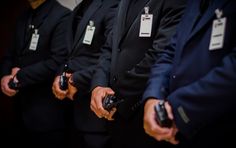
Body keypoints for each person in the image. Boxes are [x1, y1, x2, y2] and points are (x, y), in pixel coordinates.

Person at [89, 0, 186, 147]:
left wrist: (115, 94)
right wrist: (98, 85)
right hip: (115, 116)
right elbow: (110, 48)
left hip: (148, 112)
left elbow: (161, 55)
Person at [142, 0, 236, 147]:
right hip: (172, 126)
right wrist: (153, 98)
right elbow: (170, 52)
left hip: (216, 126)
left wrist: (179, 108)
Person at [0, 0, 71, 147]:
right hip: (20, 112)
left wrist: (20, 76)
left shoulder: (62, 16)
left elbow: (58, 61)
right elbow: (9, 55)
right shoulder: (22, 17)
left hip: (48, 117)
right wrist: (5, 75)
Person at [52, 0, 120, 148]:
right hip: (72, 111)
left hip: (96, 114)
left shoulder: (113, 5)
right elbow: (70, 55)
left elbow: (111, 58)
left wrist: (75, 80)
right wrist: (60, 76)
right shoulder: (78, 9)